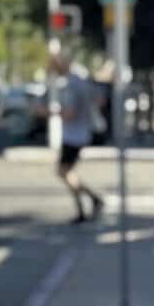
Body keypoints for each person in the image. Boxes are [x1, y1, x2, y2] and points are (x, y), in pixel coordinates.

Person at [51, 51, 106, 224]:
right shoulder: (82, 80)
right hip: (81, 132)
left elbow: (70, 113)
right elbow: (100, 99)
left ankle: (89, 203)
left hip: (73, 135)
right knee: (65, 172)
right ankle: (90, 202)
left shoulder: (71, 85)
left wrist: (49, 113)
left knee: (64, 172)